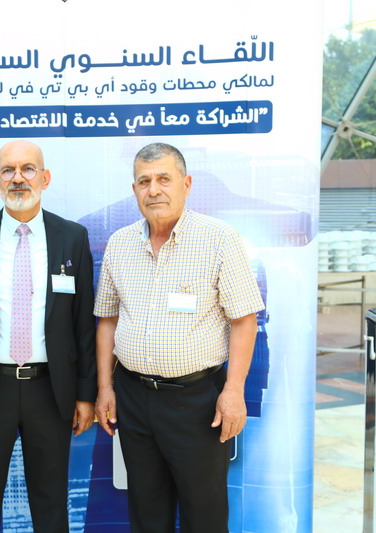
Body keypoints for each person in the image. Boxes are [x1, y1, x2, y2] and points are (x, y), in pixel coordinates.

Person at [94, 143, 264, 532]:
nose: (154, 189)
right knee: (145, 510)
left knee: (204, 514)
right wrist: (105, 387)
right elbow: (107, 321)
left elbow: (244, 321)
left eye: (164, 179)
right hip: (133, 398)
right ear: (134, 189)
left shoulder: (219, 238)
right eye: (144, 181)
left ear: (186, 184)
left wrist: (234, 391)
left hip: (197, 402)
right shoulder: (119, 243)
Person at [0, 140, 97, 533]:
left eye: (28, 169)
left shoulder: (72, 237)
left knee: (51, 503)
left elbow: (82, 323)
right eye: (8, 170)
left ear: (45, 178)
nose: (18, 178)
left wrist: (85, 394)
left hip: (51, 389)